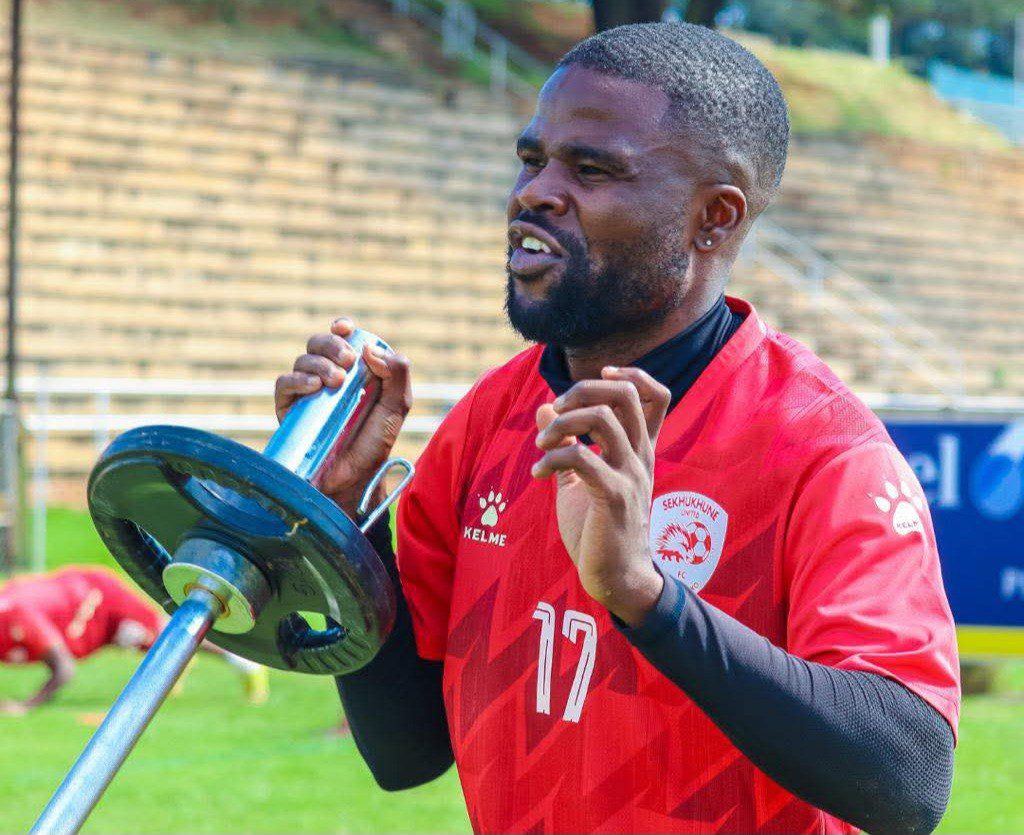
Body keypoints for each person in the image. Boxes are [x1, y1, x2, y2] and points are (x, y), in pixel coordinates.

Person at [274, 23, 959, 835]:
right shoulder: (492, 420)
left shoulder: (817, 448)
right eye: (533, 160)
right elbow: (406, 752)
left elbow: (909, 777)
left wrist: (647, 597)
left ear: (714, 218)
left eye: (591, 169)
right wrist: (349, 520)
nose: (534, 192)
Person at [0, 565, 268, 713]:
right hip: (78, 614)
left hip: (100, 600)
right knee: (162, 643)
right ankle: (176, 666)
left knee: (169, 639)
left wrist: (26, 706)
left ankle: (242, 661)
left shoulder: (18, 615)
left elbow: (63, 669)